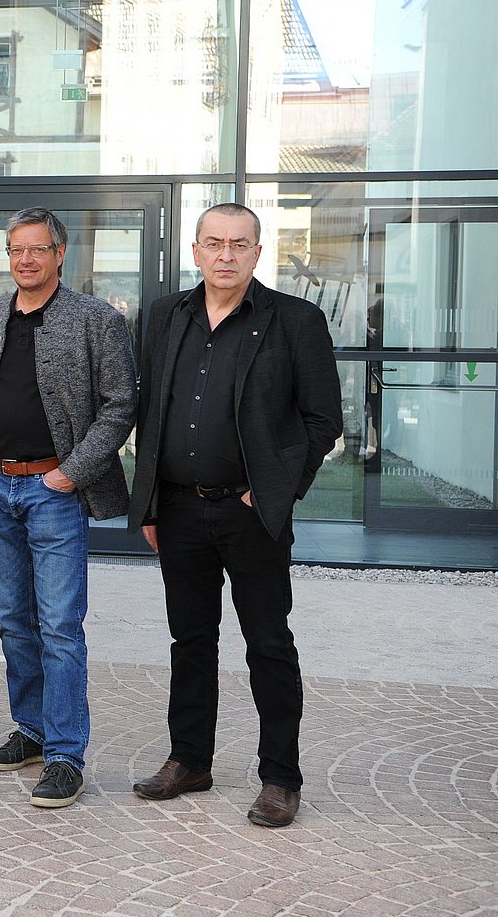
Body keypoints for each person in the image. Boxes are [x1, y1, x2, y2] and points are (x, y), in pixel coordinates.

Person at [128, 202, 343, 829]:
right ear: (195, 250)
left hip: (252, 514)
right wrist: (149, 502)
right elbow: (151, 411)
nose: (226, 255)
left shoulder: (295, 321)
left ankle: (280, 778)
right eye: (214, 243)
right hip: (179, 508)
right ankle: (189, 760)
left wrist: (274, 491)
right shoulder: (165, 315)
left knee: (268, 644)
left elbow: (323, 421)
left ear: (257, 252)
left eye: (239, 244)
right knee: (190, 641)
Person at [0, 206, 136, 809]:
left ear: (60, 254)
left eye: (36, 248)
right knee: (12, 619)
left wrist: (71, 473)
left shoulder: (96, 320)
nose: (25, 259)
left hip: (54, 490)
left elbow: (120, 405)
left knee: (59, 627)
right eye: (15, 250)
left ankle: (65, 755)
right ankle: (30, 730)